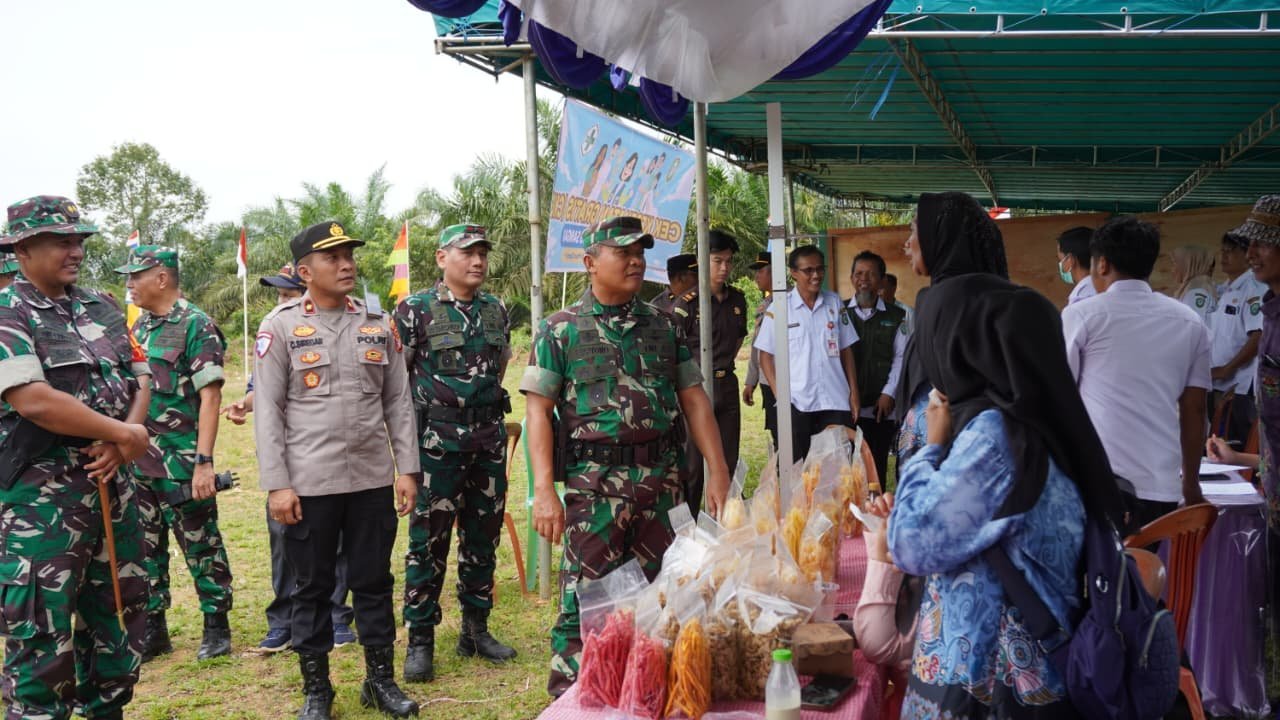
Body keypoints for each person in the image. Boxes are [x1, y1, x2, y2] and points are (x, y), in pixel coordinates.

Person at [889, 271, 1126, 718]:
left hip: (995, 684)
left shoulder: (996, 437)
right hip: (1030, 672)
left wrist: (932, 447)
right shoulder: (1045, 419)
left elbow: (910, 543)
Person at [521, 215, 730, 698]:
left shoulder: (664, 326)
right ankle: (573, 698)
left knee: (665, 593)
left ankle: (647, 689)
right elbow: (538, 413)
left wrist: (717, 471)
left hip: (662, 481)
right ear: (591, 263)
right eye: (624, 252)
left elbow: (695, 400)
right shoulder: (560, 330)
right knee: (586, 601)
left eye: (640, 252)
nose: (636, 261)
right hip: (594, 488)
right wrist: (545, 492)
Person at [254, 220, 420, 719]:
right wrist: (278, 485)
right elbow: (268, 411)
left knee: (374, 581)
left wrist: (406, 469)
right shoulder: (279, 327)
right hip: (310, 484)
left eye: (349, 254)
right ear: (305, 271)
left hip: (370, 480)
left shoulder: (376, 321)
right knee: (311, 587)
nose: (346, 264)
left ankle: (380, 681)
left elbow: (398, 400)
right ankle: (317, 690)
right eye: (333, 257)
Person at [0, 195, 152, 720]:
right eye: (61, 241)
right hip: (40, 505)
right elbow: (34, 399)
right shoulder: (7, 312)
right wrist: (124, 433)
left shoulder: (101, 305)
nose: (75, 251)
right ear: (22, 248)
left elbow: (142, 377)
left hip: (113, 488)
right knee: (41, 641)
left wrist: (121, 440)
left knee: (118, 624)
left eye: (79, 240)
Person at [395, 223, 517, 684]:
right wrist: (405, 457)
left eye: (483, 252)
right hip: (436, 446)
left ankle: (475, 629)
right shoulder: (414, 310)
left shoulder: (494, 308)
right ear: (441, 258)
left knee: (483, 537)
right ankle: (421, 639)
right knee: (428, 543)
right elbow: (398, 382)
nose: (478, 261)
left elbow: (500, 362)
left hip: (486, 442)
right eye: (467, 252)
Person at [223, 264, 357, 653]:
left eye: (288, 293)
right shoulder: (275, 331)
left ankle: (336, 615)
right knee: (283, 536)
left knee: (335, 540)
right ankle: (282, 619)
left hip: (328, 454)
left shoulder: (336, 331)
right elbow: (260, 389)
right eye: (279, 294)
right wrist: (244, 405)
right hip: (284, 457)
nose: (282, 301)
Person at [115, 245, 234, 663]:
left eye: (136, 275)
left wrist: (204, 462)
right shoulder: (140, 327)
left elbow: (211, 397)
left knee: (201, 544)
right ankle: (155, 628)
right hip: (140, 461)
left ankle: (216, 624)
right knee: (146, 548)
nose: (129, 284)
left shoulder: (196, 325)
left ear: (161, 277)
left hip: (182, 461)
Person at [1062, 216, 1211, 530]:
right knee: (1144, 572)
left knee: (1098, 574)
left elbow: (1061, 396)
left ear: (1101, 264)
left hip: (1097, 483)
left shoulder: (1083, 316)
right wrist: (1191, 485)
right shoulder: (1189, 321)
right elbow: (1195, 410)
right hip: (1162, 487)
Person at [894, 191, 1009, 466]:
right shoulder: (994, 298)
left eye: (913, 231)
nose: (907, 244)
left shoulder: (941, 302)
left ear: (940, 238)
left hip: (946, 452)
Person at [755, 245, 860, 461]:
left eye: (820, 269)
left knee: (839, 473)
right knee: (799, 472)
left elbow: (846, 349)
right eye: (808, 270)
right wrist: (780, 396)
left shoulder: (834, 303)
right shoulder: (779, 309)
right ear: (793, 273)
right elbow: (765, 356)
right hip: (798, 402)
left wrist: (854, 391)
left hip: (835, 400)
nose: (816, 275)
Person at [1232, 196, 1280, 656]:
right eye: (1251, 243)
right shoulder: (1271, 307)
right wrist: (1248, 461)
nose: (1252, 253)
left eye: (1263, 242)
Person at [672, 230, 748, 512]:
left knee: (727, 462)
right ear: (703, 261)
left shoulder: (738, 301)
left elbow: (738, 338)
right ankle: (689, 534)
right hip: (695, 390)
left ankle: (725, 530)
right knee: (692, 467)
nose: (724, 268)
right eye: (718, 261)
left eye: (728, 261)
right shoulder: (686, 305)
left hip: (726, 386)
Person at [846, 250, 909, 483]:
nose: (864, 279)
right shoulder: (839, 313)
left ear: (882, 280)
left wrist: (888, 393)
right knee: (845, 471)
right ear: (852, 278)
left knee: (876, 467)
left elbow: (900, 358)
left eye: (871, 274)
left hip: (880, 409)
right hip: (846, 408)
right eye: (859, 273)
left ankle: (874, 515)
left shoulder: (897, 316)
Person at [1208, 229, 1265, 447]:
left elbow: (1258, 335)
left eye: (1230, 252)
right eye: (1222, 251)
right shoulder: (1227, 289)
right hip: (1223, 384)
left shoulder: (1254, 288)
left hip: (1242, 385)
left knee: (1240, 443)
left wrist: (1227, 368)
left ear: (1247, 254)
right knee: (1222, 443)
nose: (1223, 257)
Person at [742, 251, 777, 446]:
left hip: (790, 380)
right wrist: (751, 381)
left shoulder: (791, 300)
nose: (756, 277)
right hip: (767, 380)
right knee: (777, 432)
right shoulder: (764, 305)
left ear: (775, 273)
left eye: (760, 271)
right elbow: (757, 346)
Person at [1170, 245, 1217, 324]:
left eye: (1174, 263)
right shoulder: (1195, 286)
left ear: (1188, 264)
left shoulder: (1198, 290)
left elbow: (1193, 325)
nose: (1172, 269)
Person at [1056, 225, 1097, 305]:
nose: (1061, 265)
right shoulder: (1107, 287)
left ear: (1070, 260)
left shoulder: (1081, 297)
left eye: (1060, 259)